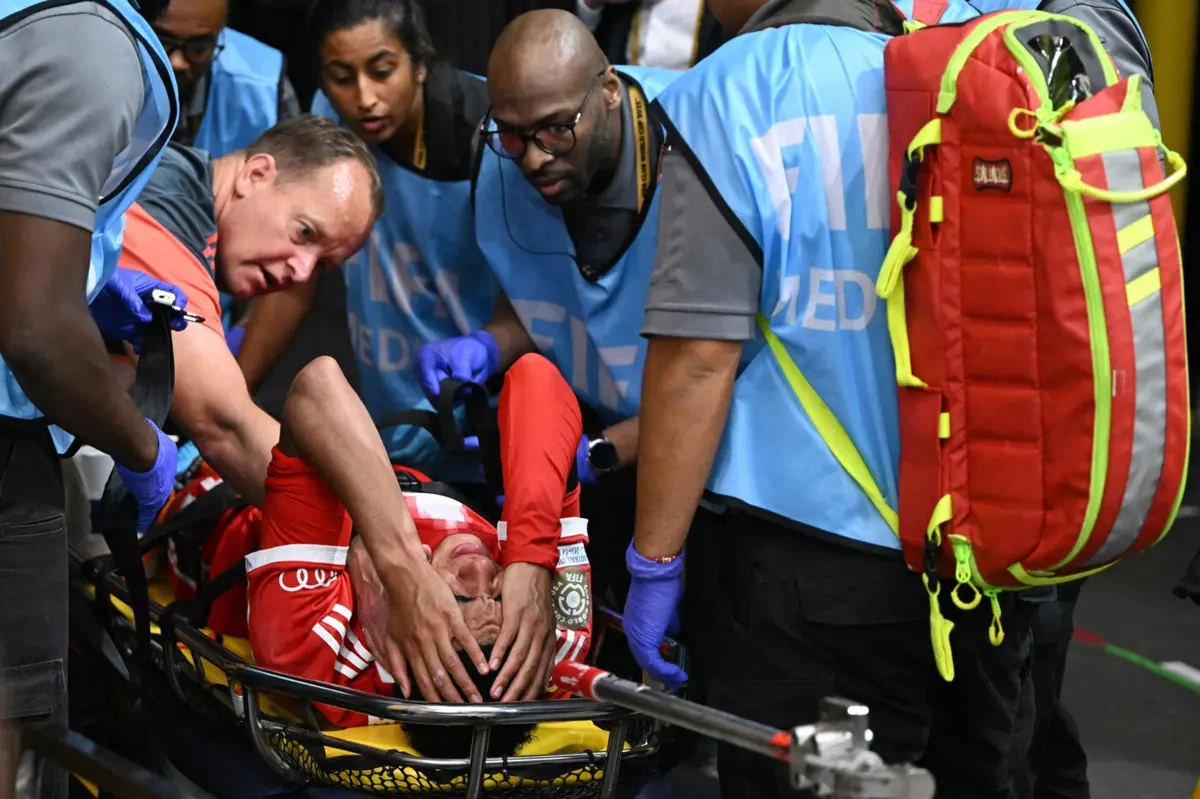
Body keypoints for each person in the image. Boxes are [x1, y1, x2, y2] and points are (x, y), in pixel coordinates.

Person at [623, 0, 1043, 797]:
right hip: (980, 559)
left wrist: (655, 560)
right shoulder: (959, 75)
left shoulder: (730, 94)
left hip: (811, 566)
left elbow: (697, 359)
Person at [415, 9, 683, 614]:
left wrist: (602, 452)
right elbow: (544, 291)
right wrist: (489, 343)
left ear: (610, 91)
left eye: (556, 130)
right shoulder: (503, 156)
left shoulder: (696, 148)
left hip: (702, 458)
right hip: (596, 447)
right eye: (511, 133)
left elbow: (729, 376)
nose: (532, 159)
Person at [0, 1, 182, 794]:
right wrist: (143, 446)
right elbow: (37, 330)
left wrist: (89, 281)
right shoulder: (92, 44)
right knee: (21, 731)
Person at [234, 0, 499, 494]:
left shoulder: (486, 131)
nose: (364, 98)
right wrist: (231, 396)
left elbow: (538, 292)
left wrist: (474, 399)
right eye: (341, 76)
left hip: (486, 421)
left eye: (382, 71)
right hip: (388, 421)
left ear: (420, 62)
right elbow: (298, 275)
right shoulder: (328, 120)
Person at [247, 353, 592, 721]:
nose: (480, 568)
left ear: (411, 650)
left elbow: (317, 387)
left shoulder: (313, 655)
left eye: (454, 602)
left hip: (281, 485)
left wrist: (403, 568)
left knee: (227, 423)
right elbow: (536, 376)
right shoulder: (548, 640)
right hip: (428, 471)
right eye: (503, 598)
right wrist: (531, 560)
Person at [114, 116, 380, 509]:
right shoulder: (160, 208)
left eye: (322, 265)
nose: (302, 272)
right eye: (305, 233)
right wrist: (379, 535)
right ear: (256, 174)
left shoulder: (189, 206)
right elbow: (227, 426)